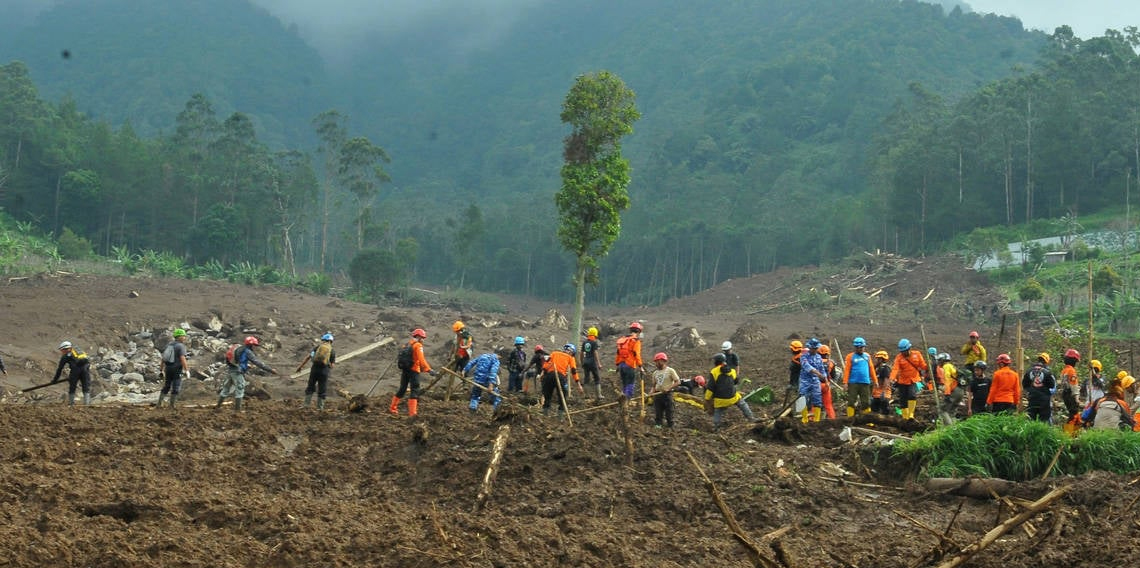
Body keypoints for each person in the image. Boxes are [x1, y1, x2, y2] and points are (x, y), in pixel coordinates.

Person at [217, 336, 279, 411]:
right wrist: (270, 370)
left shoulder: (239, 348)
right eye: (254, 345)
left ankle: (218, 407)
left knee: (226, 389)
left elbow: (238, 359)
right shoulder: (248, 352)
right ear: (251, 345)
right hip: (237, 371)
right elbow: (258, 363)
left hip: (231, 369)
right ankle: (237, 411)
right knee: (240, 389)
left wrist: (246, 365)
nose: (255, 347)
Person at [390, 328, 434, 417]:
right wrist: (429, 370)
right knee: (415, 390)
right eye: (422, 338)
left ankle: (392, 408)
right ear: (418, 337)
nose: (423, 340)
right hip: (414, 371)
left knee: (402, 389)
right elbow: (421, 360)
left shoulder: (407, 344)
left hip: (405, 370)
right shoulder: (418, 346)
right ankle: (412, 414)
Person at [705, 352, 754, 428]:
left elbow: (711, 387)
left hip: (720, 400)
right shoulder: (732, 371)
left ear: (716, 362)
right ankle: (751, 418)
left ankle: (716, 426)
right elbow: (735, 381)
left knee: (718, 410)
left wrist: (707, 398)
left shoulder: (714, 372)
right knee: (742, 403)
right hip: (732, 397)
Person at [890, 339, 928, 420]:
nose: (903, 353)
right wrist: (892, 378)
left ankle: (911, 414)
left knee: (912, 395)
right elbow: (895, 369)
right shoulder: (899, 357)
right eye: (902, 351)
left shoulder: (917, 354)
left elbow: (923, 366)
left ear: (909, 348)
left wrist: (928, 365)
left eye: (905, 351)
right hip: (902, 381)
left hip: (913, 380)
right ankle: (905, 417)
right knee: (903, 400)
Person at [296, 332, 336, 410]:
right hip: (324, 371)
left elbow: (308, 357)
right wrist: (327, 364)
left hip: (314, 370)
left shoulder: (317, 347)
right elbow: (332, 366)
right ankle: (320, 408)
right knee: (322, 389)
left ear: (323, 340)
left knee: (310, 387)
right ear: (331, 341)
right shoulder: (332, 351)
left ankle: (306, 405)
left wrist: (300, 367)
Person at [541, 343, 581, 416]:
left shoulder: (554, 353)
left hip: (550, 375)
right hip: (561, 377)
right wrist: (578, 383)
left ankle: (545, 410)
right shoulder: (570, 358)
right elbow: (574, 371)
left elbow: (546, 364)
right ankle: (560, 412)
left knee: (548, 393)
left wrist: (543, 373)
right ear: (571, 352)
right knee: (563, 393)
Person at [843, 337, 877, 416]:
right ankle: (850, 419)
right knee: (851, 401)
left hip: (865, 382)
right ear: (855, 347)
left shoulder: (867, 356)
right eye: (859, 347)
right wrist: (845, 382)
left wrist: (875, 380)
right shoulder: (850, 356)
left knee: (866, 402)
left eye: (862, 347)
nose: (861, 349)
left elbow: (871, 368)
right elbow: (847, 370)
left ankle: (867, 419)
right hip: (853, 383)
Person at [158, 328, 190, 408]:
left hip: (168, 369)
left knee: (167, 386)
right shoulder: (181, 346)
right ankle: (172, 405)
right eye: (183, 336)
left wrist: (161, 370)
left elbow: (163, 358)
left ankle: (159, 403)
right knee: (176, 386)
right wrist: (187, 370)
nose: (184, 338)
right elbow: (182, 358)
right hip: (177, 370)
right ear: (179, 337)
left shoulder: (169, 345)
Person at [53, 340, 92, 406]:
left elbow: (60, 369)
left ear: (65, 349)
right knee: (86, 387)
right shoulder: (78, 351)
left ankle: (71, 404)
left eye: (62, 350)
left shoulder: (66, 356)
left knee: (72, 387)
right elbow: (87, 361)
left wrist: (55, 380)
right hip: (85, 370)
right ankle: (87, 404)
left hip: (75, 371)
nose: (62, 352)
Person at [798, 338, 827, 423]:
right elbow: (807, 366)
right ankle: (804, 419)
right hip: (805, 381)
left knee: (817, 400)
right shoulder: (803, 356)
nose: (814, 350)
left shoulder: (818, 357)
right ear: (809, 348)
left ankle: (817, 420)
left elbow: (822, 369)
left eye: (816, 348)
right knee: (802, 399)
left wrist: (824, 377)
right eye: (813, 348)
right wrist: (818, 373)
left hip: (815, 381)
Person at [1022, 352, 1056, 423]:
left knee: (1031, 419)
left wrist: (1030, 390)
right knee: (1044, 420)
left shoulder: (1029, 371)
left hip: (1032, 398)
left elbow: (1024, 384)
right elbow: (1052, 385)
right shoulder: (1048, 372)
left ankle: (1032, 430)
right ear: (1046, 362)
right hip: (1044, 400)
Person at [649, 352, 681, 428]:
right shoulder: (655, 373)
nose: (656, 363)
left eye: (658, 361)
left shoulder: (670, 371)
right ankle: (658, 425)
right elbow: (654, 386)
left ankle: (670, 426)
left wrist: (668, 388)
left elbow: (678, 382)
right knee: (658, 412)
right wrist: (651, 392)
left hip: (667, 394)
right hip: (657, 394)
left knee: (669, 412)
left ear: (663, 361)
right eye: (656, 362)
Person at [615, 322, 644, 399]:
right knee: (630, 384)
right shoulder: (635, 341)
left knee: (625, 384)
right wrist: (640, 366)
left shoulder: (622, 340)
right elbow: (636, 354)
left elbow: (618, 353)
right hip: (630, 365)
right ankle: (627, 400)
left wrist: (617, 364)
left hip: (621, 365)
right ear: (638, 331)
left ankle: (623, 398)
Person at [936, 353, 963, 425]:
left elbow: (947, 380)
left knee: (942, 410)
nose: (938, 362)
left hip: (954, 390)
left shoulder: (946, 367)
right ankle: (955, 428)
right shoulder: (952, 366)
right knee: (952, 411)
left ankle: (949, 428)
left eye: (939, 360)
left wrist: (947, 394)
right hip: (960, 390)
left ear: (942, 360)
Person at [817, 345, 839, 419]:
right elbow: (833, 375)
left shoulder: (815, 361)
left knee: (815, 404)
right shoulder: (831, 362)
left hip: (816, 385)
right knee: (828, 404)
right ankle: (832, 419)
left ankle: (813, 420)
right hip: (826, 385)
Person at [1059, 348, 1081, 421]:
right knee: (1074, 416)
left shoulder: (1064, 370)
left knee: (1071, 414)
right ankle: (1070, 428)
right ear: (1073, 361)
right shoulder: (1072, 371)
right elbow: (1073, 385)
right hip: (1070, 395)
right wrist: (1076, 398)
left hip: (1065, 394)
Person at [581, 327, 603, 400]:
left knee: (586, 378)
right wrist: (599, 363)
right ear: (595, 335)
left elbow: (581, 353)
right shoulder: (594, 342)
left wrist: (582, 362)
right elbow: (595, 353)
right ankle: (599, 395)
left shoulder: (585, 342)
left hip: (585, 362)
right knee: (597, 378)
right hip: (592, 362)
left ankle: (586, 395)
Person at [871, 350, 893, 415]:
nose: (875, 360)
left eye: (877, 358)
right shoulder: (875, 368)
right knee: (874, 411)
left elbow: (886, 381)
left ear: (881, 359)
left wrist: (883, 392)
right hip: (876, 394)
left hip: (884, 394)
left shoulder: (886, 369)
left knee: (884, 410)